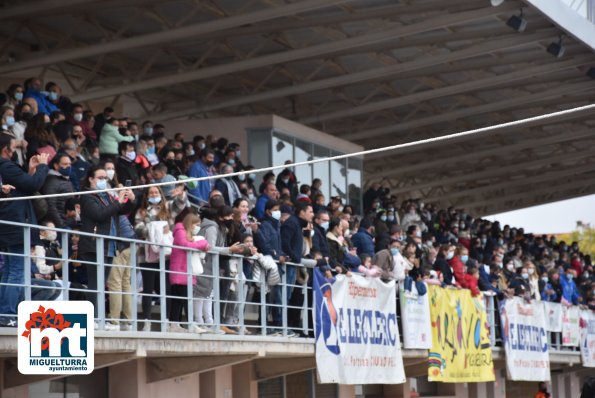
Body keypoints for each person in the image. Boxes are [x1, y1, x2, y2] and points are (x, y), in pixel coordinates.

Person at [78, 165, 136, 320]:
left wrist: (130, 200)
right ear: (91, 179)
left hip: (109, 246)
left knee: (102, 284)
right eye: (100, 178)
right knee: (95, 284)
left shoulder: (107, 195)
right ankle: (93, 318)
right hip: (93, 245)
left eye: (105, 178)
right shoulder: (87, 195)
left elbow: (121, 211)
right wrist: (118, 200)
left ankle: (98, 317)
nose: (104, 180)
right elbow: (100, 214)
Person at [134, 186, 175, 331]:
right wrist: (156, 229)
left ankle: (168, 320)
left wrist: (181, 195)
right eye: (151, 192)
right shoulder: (142, 212)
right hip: (146, 256)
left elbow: (174, 222)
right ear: (147, 196)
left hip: (165, 256)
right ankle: (147, 321)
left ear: (160, 194)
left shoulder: (167, 209)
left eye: (156, 192)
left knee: (166, 289)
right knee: (148, 288)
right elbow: (139, 229)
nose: (154, 194)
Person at [168, 212, 210, 333]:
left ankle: (175, 324)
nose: (198, 227)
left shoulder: (185, 233)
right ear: (190, 224)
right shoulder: (180, 231)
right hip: (180, 271)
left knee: (179, 299)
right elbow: (186, 245)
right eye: (196, 224)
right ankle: (189, 324)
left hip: (185, 271)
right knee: (184, 299)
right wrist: (203, 243)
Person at [40, 153, 74, 228]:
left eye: (69, 164)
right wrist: (61, 224)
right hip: (59, 224)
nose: (68, 166)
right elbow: (50, 204)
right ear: (56, 165)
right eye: (65, 164)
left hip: (66, 222)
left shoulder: (65, 179)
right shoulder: (51, 181)